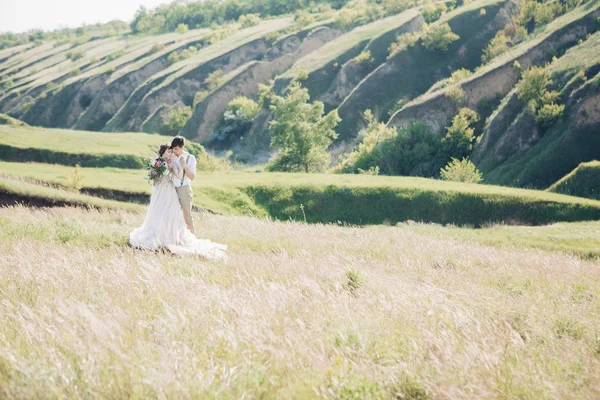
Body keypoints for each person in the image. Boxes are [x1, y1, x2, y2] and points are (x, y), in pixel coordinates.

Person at [129, 143, 227, 260]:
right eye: (168, 152)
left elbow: (180, 176)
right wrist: (156, 171)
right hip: (158, 191)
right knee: (157, 212)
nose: (170, 154)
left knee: (171, 213)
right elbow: (153, 179)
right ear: (163, 152)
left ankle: (170, 237)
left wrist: (180, 166)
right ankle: (157, 234)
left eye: (171, 152)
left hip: (169, 191)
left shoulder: (171, 163)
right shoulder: (156, 162)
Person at [170, 136, 196, 234]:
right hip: (171, 188)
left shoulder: (190, 158)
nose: (174, 151)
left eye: (176, 149)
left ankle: (191, 239)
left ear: (182, 147)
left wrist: (184, 166)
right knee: (172, 215)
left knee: (187, 216)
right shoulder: (170, 157)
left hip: (184, 189)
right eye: (173, 148)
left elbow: (192, 177)